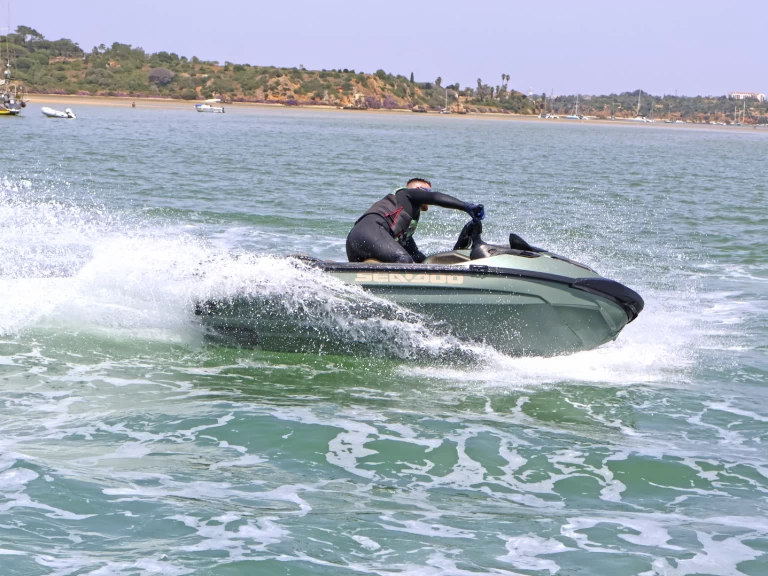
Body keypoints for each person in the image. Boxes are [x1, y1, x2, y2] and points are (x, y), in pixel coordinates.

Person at [346, 178, 484, 264]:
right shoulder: (405, 194)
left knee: (408, 259)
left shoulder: (404, 221)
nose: (427, 196)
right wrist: (466, 206)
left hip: (358, 239)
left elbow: (417, 257)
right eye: (426, 192)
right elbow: (436, 197)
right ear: (417, 191)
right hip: (370, 231)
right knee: (403, 260)